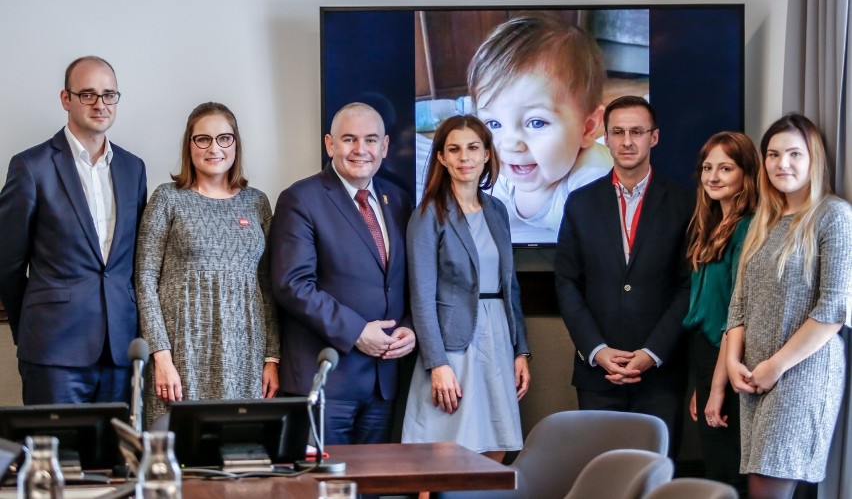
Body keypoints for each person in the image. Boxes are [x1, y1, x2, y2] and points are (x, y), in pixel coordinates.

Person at [0, 56, 147, 404]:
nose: (100, 104)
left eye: (109, 94)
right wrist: (31, 328)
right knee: (56, 457)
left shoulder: (133, 168)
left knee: (117, 458)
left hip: (120, 350)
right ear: (66, 99)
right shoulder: (31, 166)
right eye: (88, 94)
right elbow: (6, 264)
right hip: (53, 349)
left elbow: (133, 261)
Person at [554, 95, 693, 457]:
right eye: (617, 132)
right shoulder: (580, 202)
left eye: (636, 131)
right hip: (598, 372)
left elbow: (688, 285)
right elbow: (567, 283)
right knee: (601, 480)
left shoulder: (686, 203)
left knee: (654, 479)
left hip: (660, 371)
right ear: (605, 137)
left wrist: (651, 352)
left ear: (654, 137)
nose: (627, 141)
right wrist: (596, 350)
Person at [271, 102, 416, 445]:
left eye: (370, 139)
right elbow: (292, 284)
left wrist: (410, 327)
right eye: (349, 139)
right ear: (329, 144)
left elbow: (407, 281)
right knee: (324, 493)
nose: (360, 149)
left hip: (383, 382)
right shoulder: (300, 199)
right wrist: (355, 332)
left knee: (372, 492)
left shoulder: (397, 200)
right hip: (326, 379)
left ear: (384, 146)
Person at [726, 114, 852, 499]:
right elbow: (739, 303)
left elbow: (834, 308)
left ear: (814, 158)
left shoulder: (835, 216)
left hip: (803, 373)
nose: (783, 163)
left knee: (767, 486)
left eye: (795, 154)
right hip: (754, 374)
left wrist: (776, 366)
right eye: (773, 154)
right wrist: (734, 361)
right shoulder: (763, 222)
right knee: (759, 483)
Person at [135, 102, 279, 426]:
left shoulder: (257, 202)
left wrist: (271, 358)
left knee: (239, 456)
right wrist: (161, 356)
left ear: (236, 143)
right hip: (182, 355)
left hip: (246, 354)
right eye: (203, 139)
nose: (214, 148)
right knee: (176, 457)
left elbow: (267, 285)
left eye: (224, 138)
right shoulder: (168, 198)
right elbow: (144, 280)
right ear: (189, 145)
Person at [402, 115, 531, 462]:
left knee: (497, 444)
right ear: (442, 158)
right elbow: (421, 297)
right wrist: (437, 364)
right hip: (452, 345)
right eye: (454, 149)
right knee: (442, 449)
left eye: (473, 148)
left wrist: (521, 351)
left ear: (487, 153)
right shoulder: (428, 213)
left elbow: (511, 287)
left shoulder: (497, 209)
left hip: (498, 339)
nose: (465, 158)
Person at [468, 13, 613, 244]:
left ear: (588, 128)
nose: (510, 144)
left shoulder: (593, 185)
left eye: (536, 122)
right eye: (494, 124)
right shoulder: (501, 169)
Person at [682, 132, 759, 494]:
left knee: (728, 472)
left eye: (725, 168)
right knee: (715, 467)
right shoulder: (710, 226)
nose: (713, 176)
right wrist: (704, 384)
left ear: (746, 174)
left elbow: (736, 314)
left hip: (729, 355)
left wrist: (716, 387)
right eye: (707, 167)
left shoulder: (747, 228)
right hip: (705, 356)